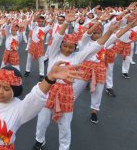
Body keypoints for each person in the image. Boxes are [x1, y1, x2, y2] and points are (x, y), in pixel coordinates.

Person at [0, 24, 81, 150]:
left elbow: (36, 96)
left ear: (15, 91)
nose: (0, 92)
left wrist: (50, 78)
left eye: (6, 89)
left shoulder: (20, 109)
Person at [33, 13, 120, 150]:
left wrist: (109, 31)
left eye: (71, 47)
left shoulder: (78, 56)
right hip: (49, 89)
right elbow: (57, 38)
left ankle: (64, 147)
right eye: (65, 46)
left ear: (75, 47)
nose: (68, 49)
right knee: (43, 119)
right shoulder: (54, 53)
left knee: (65, 123)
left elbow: (97, 46)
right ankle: (39, 140)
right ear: (60, 45)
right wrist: (66, 23)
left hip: (67, 93)